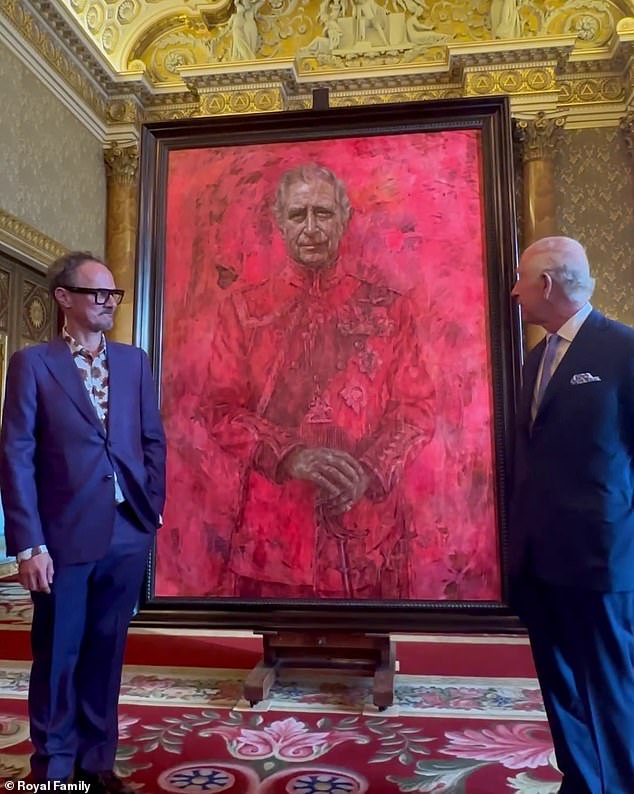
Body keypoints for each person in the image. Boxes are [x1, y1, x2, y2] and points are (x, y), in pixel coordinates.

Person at [204, 163, 435, 598]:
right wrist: (290, 456)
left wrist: (367, 472)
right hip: (274, 528)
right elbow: (219, 409)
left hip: (368, 530)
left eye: (323, 214)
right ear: (280, 222)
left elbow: (417, 409)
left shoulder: (388, 308)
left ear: (344, 218)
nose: (311, 228)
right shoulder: (243, 309)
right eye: (298, 215)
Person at [0, 253, 166, 791]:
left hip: (125, 532)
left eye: (113, 295)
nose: (107, 303)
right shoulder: (34, 364)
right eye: (96, 293)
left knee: (106, 652)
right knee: (58, 656)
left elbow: (151, 442)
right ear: (63, 297)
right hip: (62, 539)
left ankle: (97, 764)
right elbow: (17, 455)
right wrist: (28, 545)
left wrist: (151, 510)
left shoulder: (134, 362)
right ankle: (54, 771)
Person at [510, 236, 634, 793]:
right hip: (541, 559)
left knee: (610, 688)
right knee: (560, 685)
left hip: (601, 561)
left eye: (520, 280)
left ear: (547, 285)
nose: (513, 291)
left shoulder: (623, 351)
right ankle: (583, 780)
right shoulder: (536, 358)